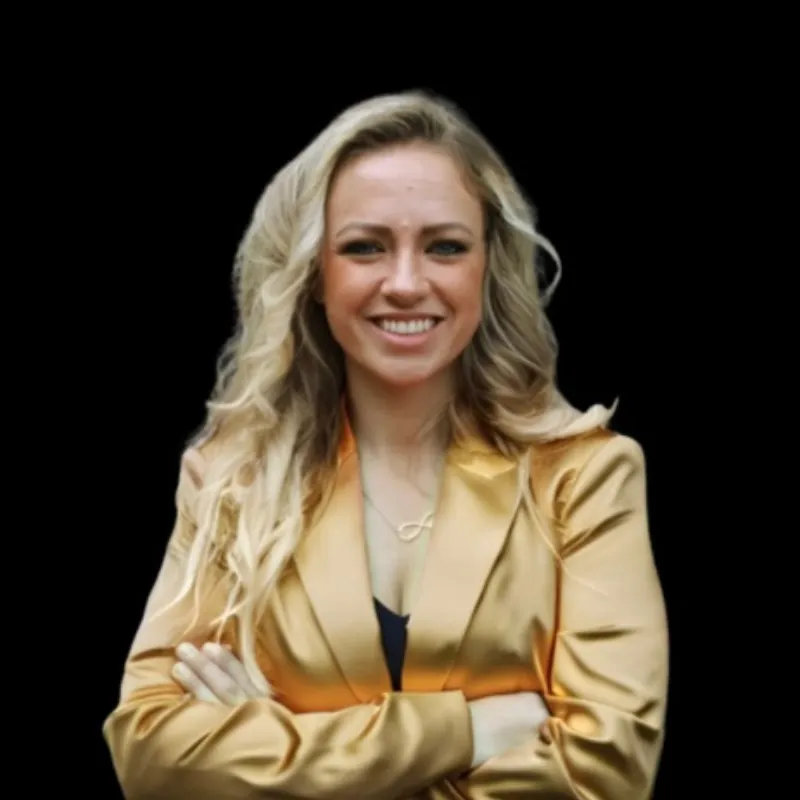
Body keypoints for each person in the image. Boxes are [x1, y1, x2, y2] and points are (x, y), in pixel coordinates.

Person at [103, 91, 668, 799]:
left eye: (445, 247)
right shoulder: (230, 481)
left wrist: (282, 752)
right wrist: (468, 730)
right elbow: (150, 749)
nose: (405, 283)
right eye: (365, 247)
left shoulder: (584, 477)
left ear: (487, 266)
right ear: (314, 273)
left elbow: (607, 771)